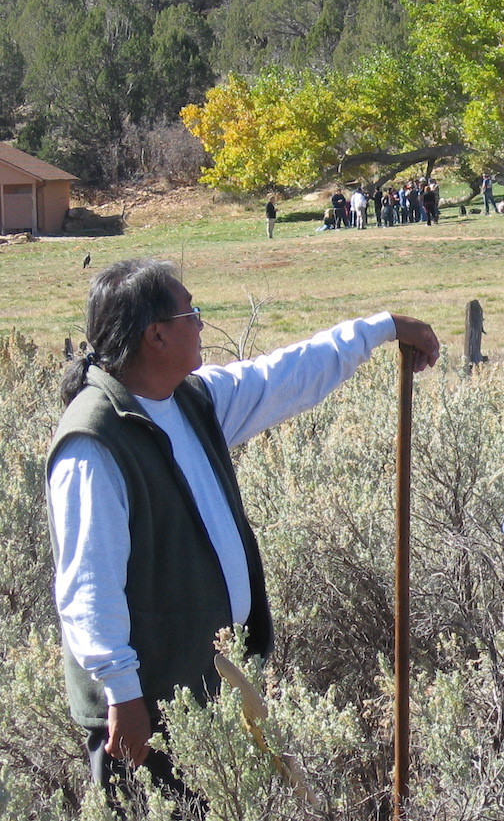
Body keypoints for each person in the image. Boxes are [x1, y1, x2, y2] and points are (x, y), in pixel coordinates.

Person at [45, 259, 441, 811]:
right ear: (156, 335)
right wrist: (122, 692)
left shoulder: (189, 400)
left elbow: (285, 376)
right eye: (192, 313)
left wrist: (380, 329)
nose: (202, 324)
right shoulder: (95, 440)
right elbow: (89, 584)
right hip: (147, 714)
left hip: (210, 697)